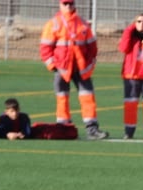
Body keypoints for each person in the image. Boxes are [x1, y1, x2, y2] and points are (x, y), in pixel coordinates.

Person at [39, 0, 109, 140]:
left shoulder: (82, 23)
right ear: (60, 5)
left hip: (81, 68)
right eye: (65, 4)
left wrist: (90, 64)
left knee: (87, 97)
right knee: (62, 98)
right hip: (62, 67)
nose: (68, 6)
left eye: (70, 3)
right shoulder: (54, 24)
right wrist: (53, 65)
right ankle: (63, 128)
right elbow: (45, 48)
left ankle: (92, 129)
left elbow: (92, 47)